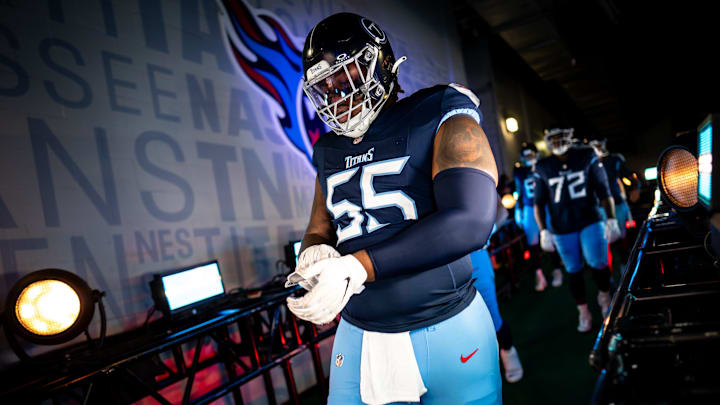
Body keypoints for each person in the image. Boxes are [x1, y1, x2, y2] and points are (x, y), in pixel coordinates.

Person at [285, 13, 501, 404]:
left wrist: (356, 266)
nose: (336, 95)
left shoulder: (438, 109)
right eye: (325, 87)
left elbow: (471, 220)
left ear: (379, 64)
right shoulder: (326, 150)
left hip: (447, 324)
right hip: (360, 332)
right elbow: (320, 227)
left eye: (344, 77)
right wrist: (313, 253)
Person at [533, 127, 622, 333]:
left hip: (590, 218)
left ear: (569, 137)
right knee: (573, 270)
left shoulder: (586, 155)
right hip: (562, 226)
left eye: (560, 137)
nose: (556, 142)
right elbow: (539, 202)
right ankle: (583, 311)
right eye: (552, 139)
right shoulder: (543, 165)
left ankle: (605, 299)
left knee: (599, 264)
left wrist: (611, 218)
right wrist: (543, 230)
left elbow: (603, 189)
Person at [471, 198, 523, 383]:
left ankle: (508, 353)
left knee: (491, 317)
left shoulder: (462, 170)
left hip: (473, 255)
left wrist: (489, 230)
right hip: (440, 264)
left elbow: (501, 210)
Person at [513, 142, 563, 291]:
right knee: (533, 243)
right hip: (529, 208)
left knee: (550, 239)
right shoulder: (519, 172)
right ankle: (539, 275)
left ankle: (557, 270)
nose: (529, 157)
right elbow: (518, 191)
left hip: (545, 207)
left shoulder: (543, 166)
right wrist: (518, 209)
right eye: (526, 155)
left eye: (531, 154)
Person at [590, 139, 638, 267]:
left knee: (622, 236)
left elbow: (629, 175)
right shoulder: (586, 163)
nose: (598, 148)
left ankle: (625, 265)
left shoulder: (614, 160)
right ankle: (607, 272)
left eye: (599, 145)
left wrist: (635, 188)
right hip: (598, 207)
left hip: (616, 203)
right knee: (603, 241)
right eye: (595, 146)